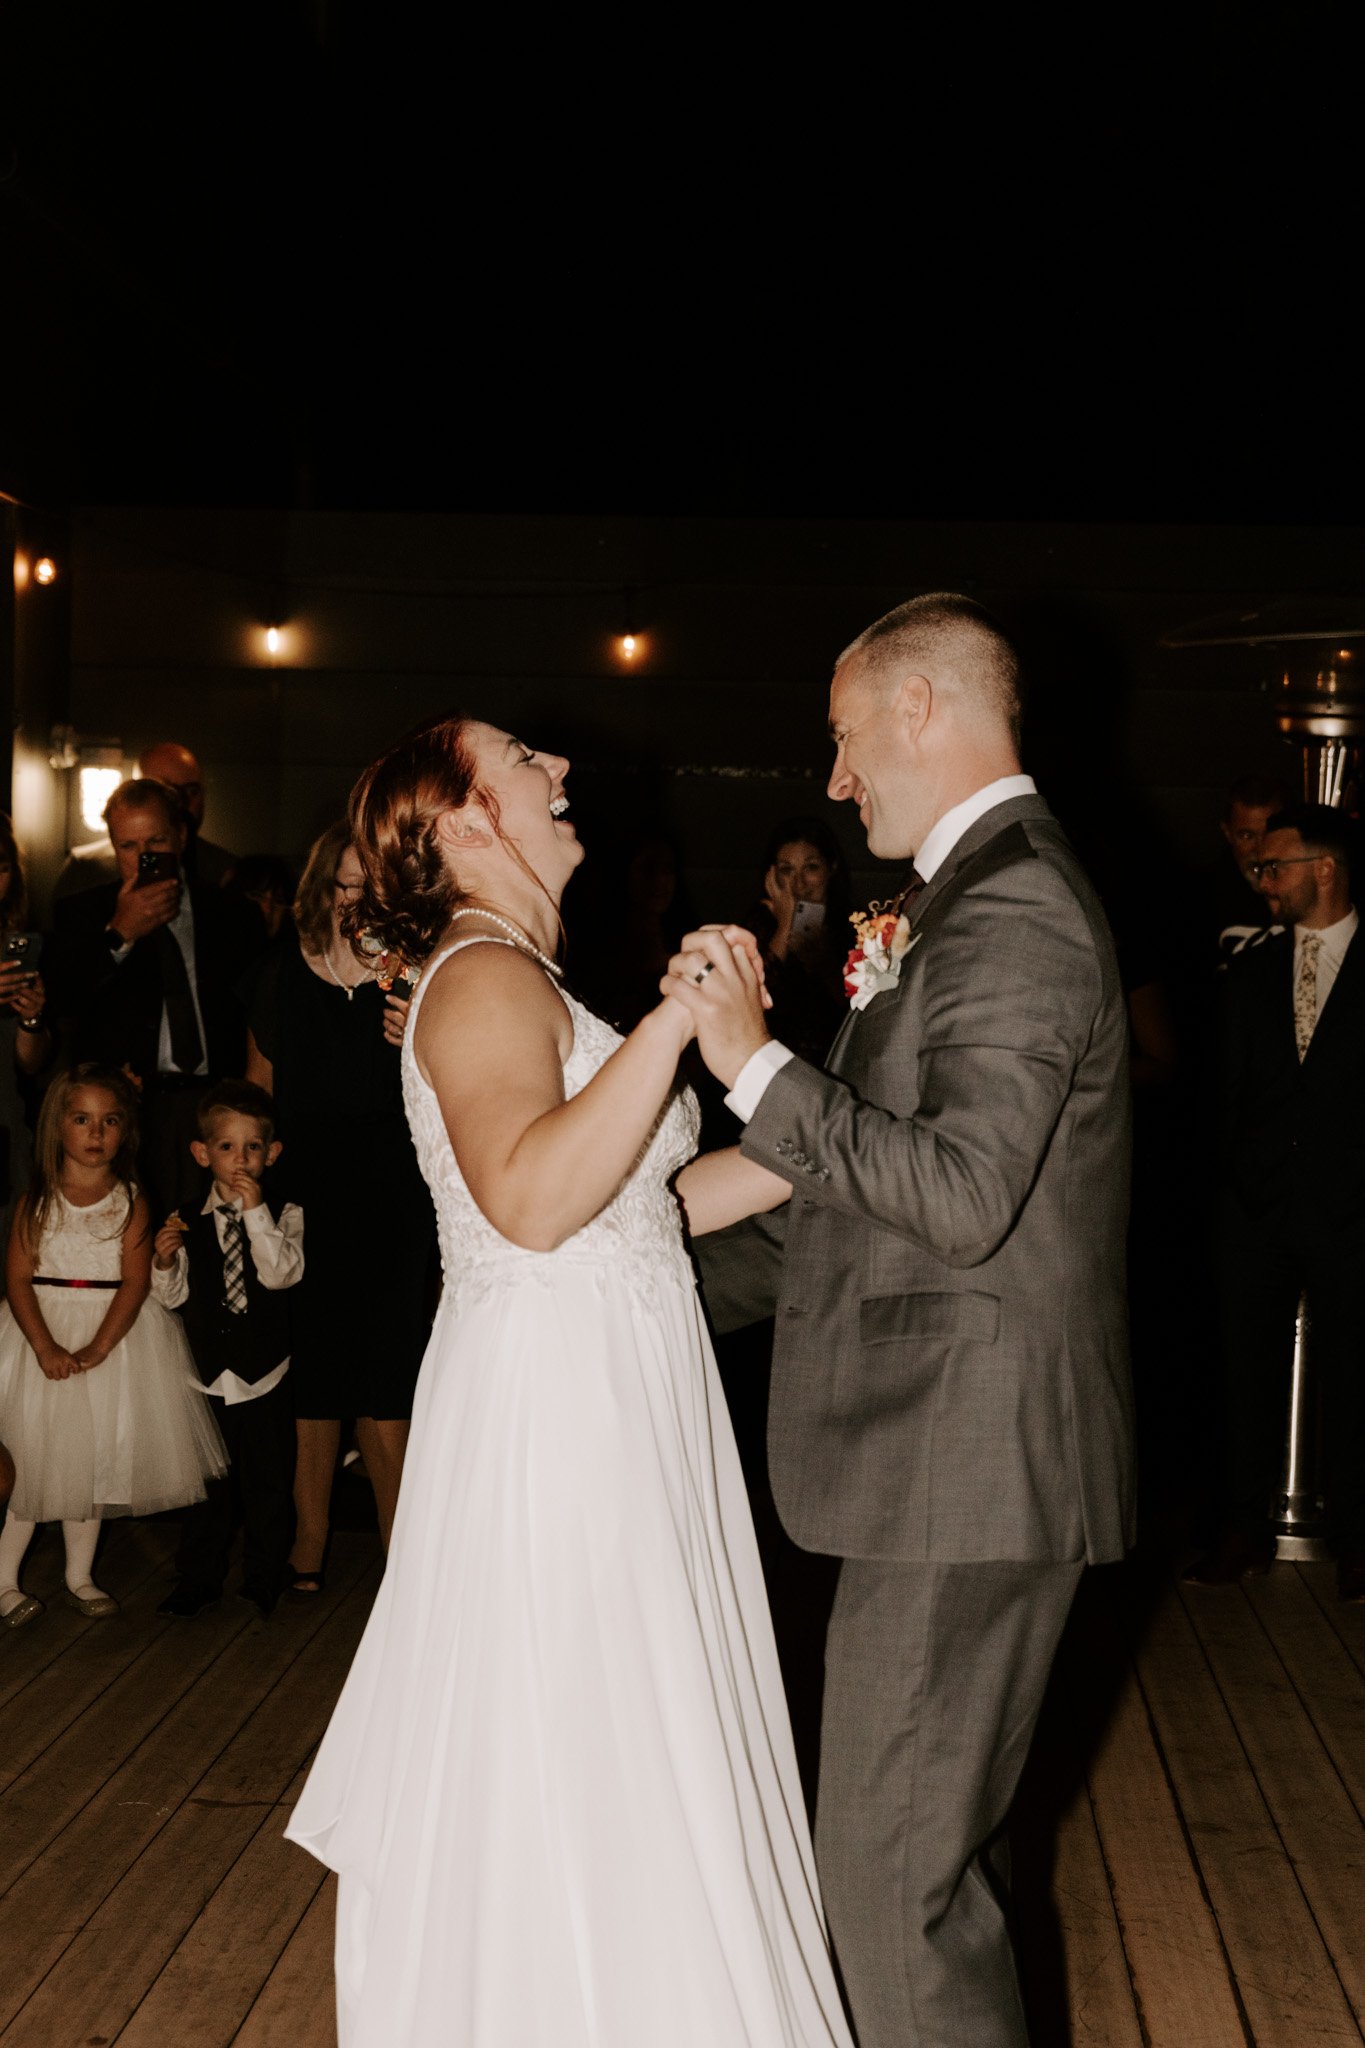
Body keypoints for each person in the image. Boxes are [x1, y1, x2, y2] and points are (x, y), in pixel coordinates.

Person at [285, 715, 853, 2048]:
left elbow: (651, 1201)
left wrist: (840, 1102)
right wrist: (678, 1023)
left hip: (620, 1391)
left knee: (635, 1736)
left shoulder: (522, 969)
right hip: (558, 1416)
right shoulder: (481, 977)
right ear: (467, 825)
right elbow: (534, 1203)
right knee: (585, 1743)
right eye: (524, 761)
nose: (559, 768)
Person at [671, 593, 1136, 2048]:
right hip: (948, 1466)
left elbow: (956, 1197)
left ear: (920, 708)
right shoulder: (963, 896)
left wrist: (753, 1065)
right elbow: (858, 1211)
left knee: (885, 1883)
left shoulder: (1017, 904)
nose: (833, 776)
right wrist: (646, 1288)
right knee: (923, 1875)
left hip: (970, 1470)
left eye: (845, 734)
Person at [243, 823, 435, 1588]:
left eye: (370, 887)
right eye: (345, 885)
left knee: (389, 1378)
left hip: (396, 1191)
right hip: (305, 1193)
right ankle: (309, 1538)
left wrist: (422, 1028)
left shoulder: (414, 974)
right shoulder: (275, 975)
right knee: (314, 1372)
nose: (356, 900)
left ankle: (405, 1552)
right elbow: (253, 1098)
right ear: (320, 885)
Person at [1188, 802, 1365, 1602]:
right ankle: (1238, 1529)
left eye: (1275, 868)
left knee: (1358, 1372)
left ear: (1322, 870)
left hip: (1351, 1211)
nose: (1262, 881)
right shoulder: (1252, 968)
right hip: (1254, 1210)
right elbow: (1223, 1091)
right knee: (1239, 1370)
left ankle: (1361, 1540)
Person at [0, 1064, 227, 1629]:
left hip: (111, 1341)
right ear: (58, 1128)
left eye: (109, 1121)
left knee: (92, 1463)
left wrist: (100, 1347)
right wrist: (45, 1346)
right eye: (82, 1119)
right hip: (40, 1340)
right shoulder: (37, 1201)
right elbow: (17, 1280)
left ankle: (80, 1574)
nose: (96, 1132)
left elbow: (135, 1281)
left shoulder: (131, 1200)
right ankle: (4, 1581)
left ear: (126, 1131)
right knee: (30, 1465)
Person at [45, 778, 264, 1213]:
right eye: (128, 846)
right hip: (125, 1112)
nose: (143, 857)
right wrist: (119, 934)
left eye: (156, 841)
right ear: (112, 847)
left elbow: (258, 1014)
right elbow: (62, 1001)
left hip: (214, 1104)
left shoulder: (233, 914)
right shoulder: (83, 913)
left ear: (181, 835)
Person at [154, 1079, 304, 1620]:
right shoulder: (184, 1218)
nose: (240, 1159)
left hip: (266, 1373)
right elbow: (171, 1298)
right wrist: (166, 1263)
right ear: (202, 1153)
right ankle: (198, 1578)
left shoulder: (286, 1213)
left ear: (272, 1154)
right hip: (208, 1375)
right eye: (226, 1147)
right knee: (208, 1487)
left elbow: (281, 1274)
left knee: (268, 1483)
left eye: (253, 1147)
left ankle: (265, 1574)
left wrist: (256, 1213)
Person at [53, 739, 237, 900]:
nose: (180, 802)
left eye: (191, 791)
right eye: (164, 789)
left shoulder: (227, 868)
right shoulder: (86, 867)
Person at [747, 814, 849, 1066]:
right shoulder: (758, 924)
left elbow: (862, 1014)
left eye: (811, 867)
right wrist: (783, 926)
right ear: (772, 874)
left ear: (831, 867)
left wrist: (826, 967)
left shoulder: (853, 925)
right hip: (772, 1064)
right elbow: (750, 1003)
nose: (798, 882)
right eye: (787, 869)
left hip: (835, 1065)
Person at [0, 815, 53, 1242]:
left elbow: (30, 1064)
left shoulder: (14, 946)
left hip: (6, 1124)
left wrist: (32, 1017)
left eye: (1, 869)